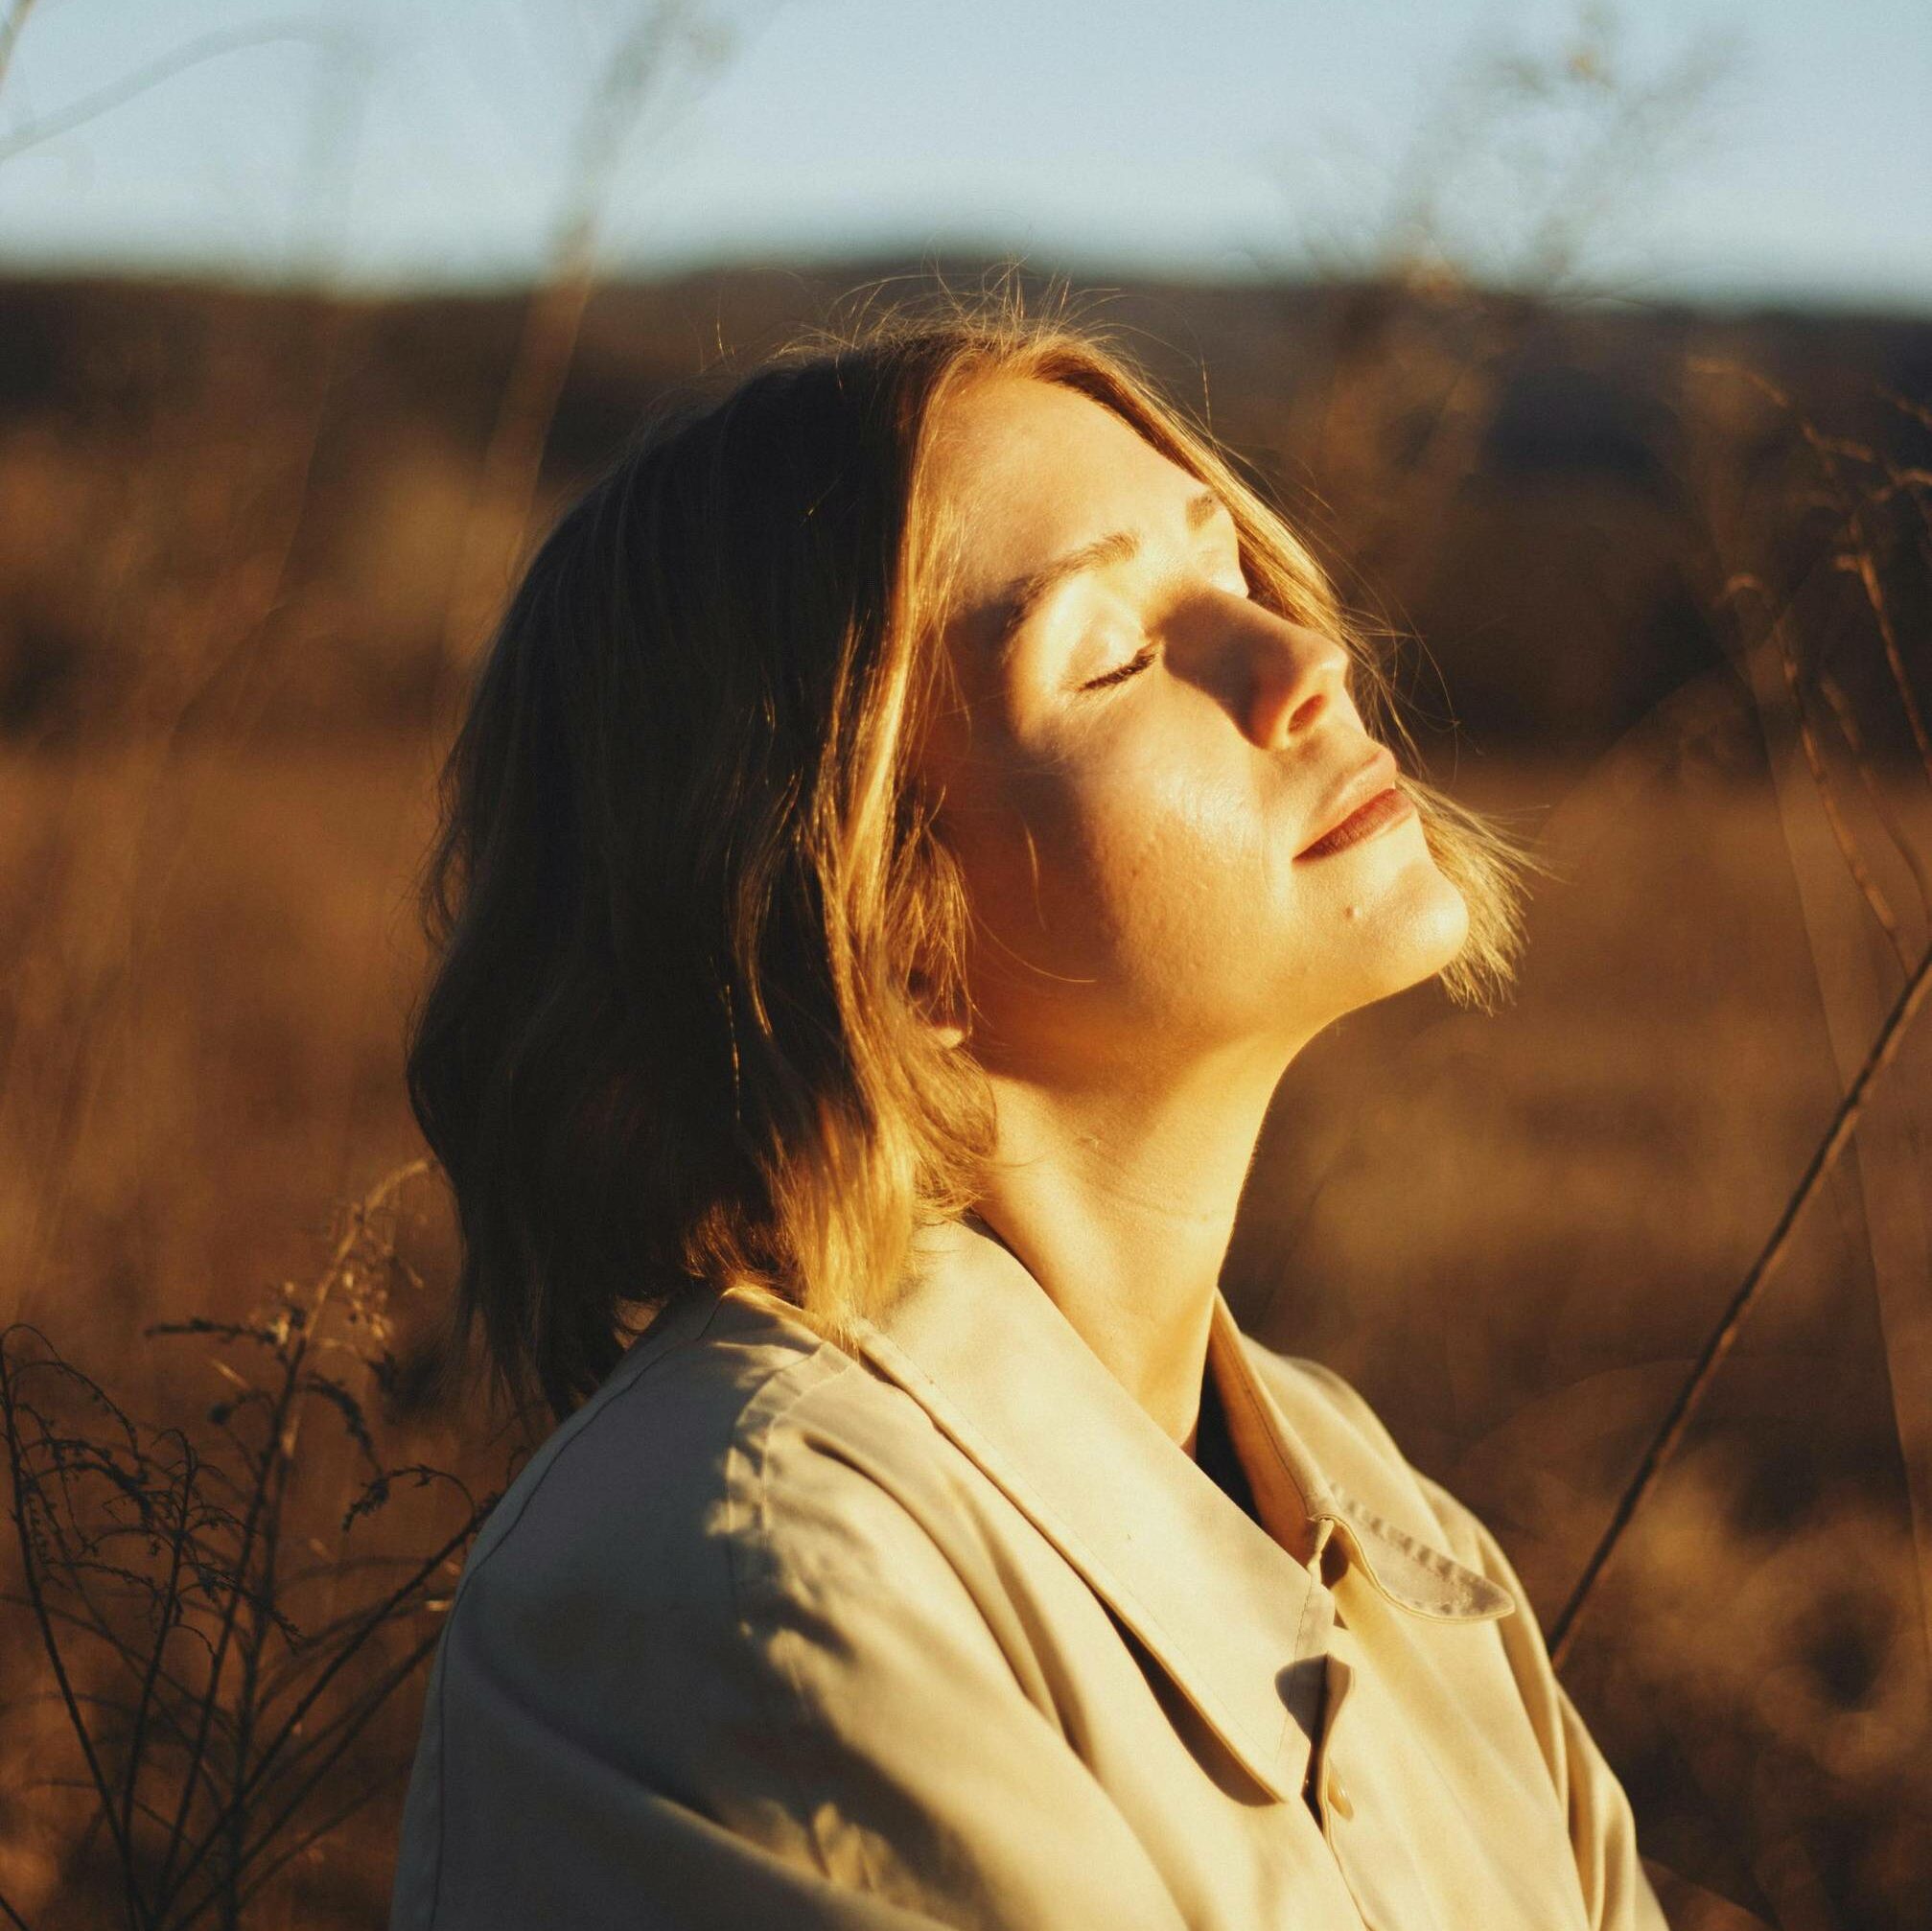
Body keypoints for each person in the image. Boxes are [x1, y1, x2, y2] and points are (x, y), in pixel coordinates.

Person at [388, 286, 1671, 1930]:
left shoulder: (1374, 1509)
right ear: (872, 931)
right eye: (1119, 653)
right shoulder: (749, 1594)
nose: (1308, 661)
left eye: (1233, 566)